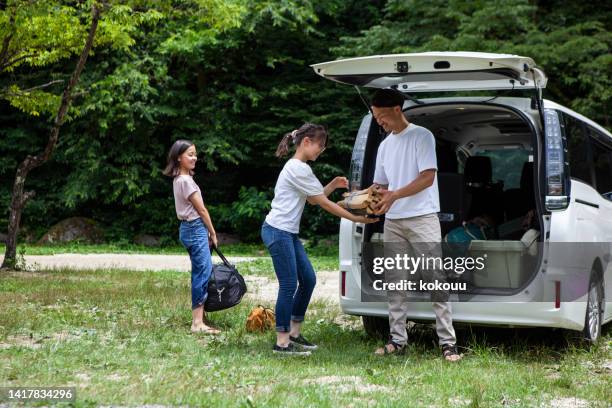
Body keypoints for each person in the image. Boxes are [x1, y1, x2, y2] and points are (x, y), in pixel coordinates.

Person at [262, 123, 378, 356]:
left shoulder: (300, 167)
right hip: (277, 231)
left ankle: (294, 333)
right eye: (319, 146)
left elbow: (314, 199)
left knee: (308, 279)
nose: (320, 151)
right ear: (306, 142)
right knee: (288, 285)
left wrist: (333, 185)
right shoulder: (297, 168)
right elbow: (324, 204)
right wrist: (357, 218)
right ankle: (281, 342)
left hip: (287, 233)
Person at [369, 89, 461, 361]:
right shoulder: (385, 145)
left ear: (397, 109)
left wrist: (394, 195)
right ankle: (398, 340)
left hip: (423, 218)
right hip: (393, 222)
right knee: (395, 282)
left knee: (436, 280)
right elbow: (380, 185)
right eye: (375, 117)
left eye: (381, 116)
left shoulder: (422, 136)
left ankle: (448, 343)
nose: (379, 122)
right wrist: (358, 198)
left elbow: (427, 178)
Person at [163, 139, 220, 334]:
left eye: (195, 154)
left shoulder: (179, 179)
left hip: (187, 229)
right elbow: (202, 210)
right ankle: (197, 324)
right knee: (202, 273)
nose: (194, 157)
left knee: (200, 271)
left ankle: (200, 317)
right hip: (195, 229)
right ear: (179, 157)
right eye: (190, 154)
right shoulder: (186, 181)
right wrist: (212, 232)